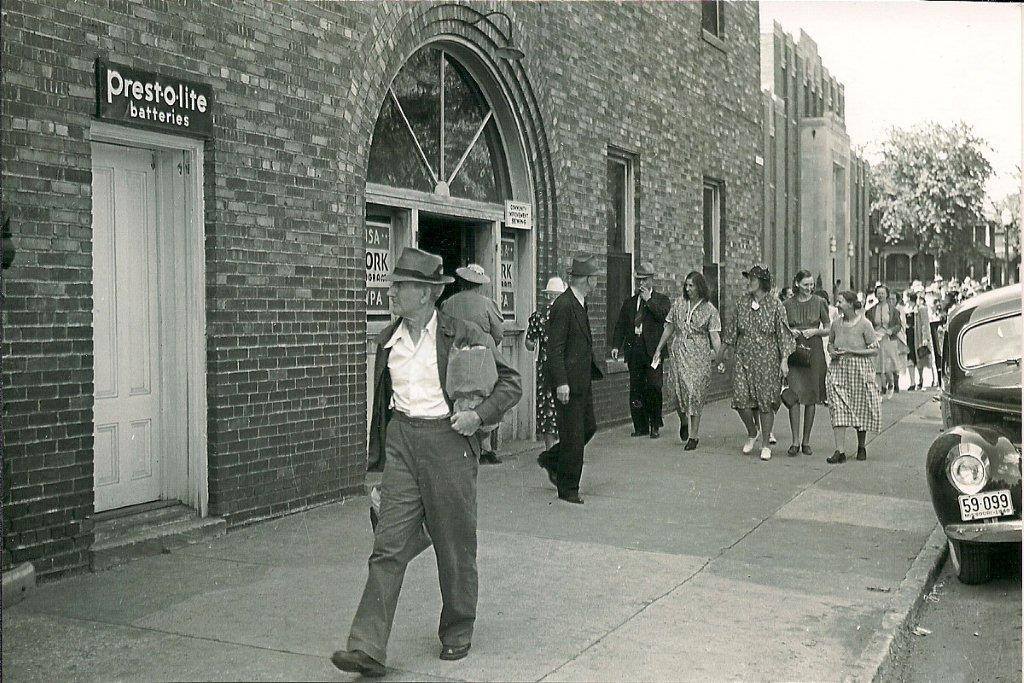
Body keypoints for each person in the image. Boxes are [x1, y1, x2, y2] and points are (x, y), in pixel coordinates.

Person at [331, 248, 521, 677]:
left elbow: (510, 382)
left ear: (426, 294)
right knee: (387, 545)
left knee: (454, 543)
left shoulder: (461, 332)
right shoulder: (388, 341)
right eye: (393, 284)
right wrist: (378, 463)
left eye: (400, 286)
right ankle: (366, 647)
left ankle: (457, 629)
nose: (391, 291)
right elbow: (384, 406)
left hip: (449, 442)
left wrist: (478, 416)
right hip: (403, 442)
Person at [537, 256, 603, 504]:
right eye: (594, 278)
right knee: (574, 435)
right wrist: (561, 382)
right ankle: (568, 488)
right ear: (587, 280)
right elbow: (555, 348)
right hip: (568, 384)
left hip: (581, 381)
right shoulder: (564, 305)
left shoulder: (579, 302)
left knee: (588, 428)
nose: (596, 282)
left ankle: (552, 459)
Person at [723, 265, 795, 461]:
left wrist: (784, 360)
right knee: (740, 399)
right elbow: (730, 333)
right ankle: (752, 432)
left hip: (767, 359)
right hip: (743, 357)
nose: (748, 282)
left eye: (752, 279)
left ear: (762, 282)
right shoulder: (741, 304)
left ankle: (765, 444)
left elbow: (784, 336)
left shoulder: (775, 305)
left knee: (765, 402)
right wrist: (722, 356)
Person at [441, 263, 506, 464]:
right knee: (485, 398)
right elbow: (498, 334)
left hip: (455, 358)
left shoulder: (448, 304)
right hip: (482, 359)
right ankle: (484, 448)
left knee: (458, 398)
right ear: (478, 284)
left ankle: (462, 446)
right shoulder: (487, 304)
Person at [652, 271, 723, 451]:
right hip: (678, 352)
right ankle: (683, 421)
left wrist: (720, 357)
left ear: (700, 287)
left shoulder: (710, 310)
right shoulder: (679, 304)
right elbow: (669, 327)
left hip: (699, 354)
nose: (688, 289)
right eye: (687, 285)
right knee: (676, 392)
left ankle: (694, 436)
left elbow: (714, 336)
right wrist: (659, 349)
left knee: (694, 393)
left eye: (692, 285)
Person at [611, 262, 671, 439]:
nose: (641, 284)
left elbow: (664, 317)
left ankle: (655, 423)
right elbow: (621, 325)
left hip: (654, 351)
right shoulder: (629, 303)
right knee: (636, 389)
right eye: (638, 281)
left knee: (653, 386)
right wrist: (616, 345)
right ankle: (640, 425)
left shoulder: (661, 300)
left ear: (652, 280)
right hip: (635, 349)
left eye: (644, 280)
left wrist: (648, 301)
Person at [825, 291, 881, 463]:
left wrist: (853, 351)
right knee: (837, 408)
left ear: (850, 304)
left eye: (840, 301)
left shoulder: (865, 324)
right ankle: (839, 451)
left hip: (859, 370)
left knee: (860, 407)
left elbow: (874, 349)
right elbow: (830, 344)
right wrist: (832, 351)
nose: (837, 304)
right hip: (838, 369)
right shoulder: (836, 324)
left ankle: (861, 446)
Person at [783, 270, 831, 457]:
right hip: (794, 350)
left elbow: (828, 328)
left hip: (814, 350)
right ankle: (794, 441)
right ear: (796, 284)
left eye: (812, 284)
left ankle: (806, 441)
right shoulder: (787, 304)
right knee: (793, 395)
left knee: (811, 396)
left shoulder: (820, 303)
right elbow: (781, 327)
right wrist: (791, 331)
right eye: (806, 285)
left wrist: (815, 332)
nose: (810, 288)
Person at [526, 277, 566, 449]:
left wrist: (538, 343)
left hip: (546, 367)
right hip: (565, 366)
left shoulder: (538, 316)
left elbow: (528, 343)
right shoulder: (568, 314)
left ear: (548, 295)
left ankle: (550, 449)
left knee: (546, 407)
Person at [865, 283, 905, 400]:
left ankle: (891, 384)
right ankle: (879, 388)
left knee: (888, 364)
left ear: (887, 294)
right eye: (879, 293)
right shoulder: (871, 310)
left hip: (888, 339)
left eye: (883, 293)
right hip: (876, 338)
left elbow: (898, 325)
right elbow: (868, 324)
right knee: (877, 364)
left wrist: (891, 331)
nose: (880, 295)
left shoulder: (893, 310)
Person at [908, 290, 935, 390]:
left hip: (917, 336)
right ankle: (915, 381)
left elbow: (925, 324)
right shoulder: (906, 309)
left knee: (922, 358)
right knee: (911, 359)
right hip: (909, 337)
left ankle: (922, 379)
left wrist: (925, 338)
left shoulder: (921, 309)